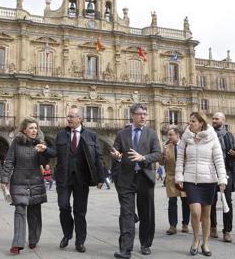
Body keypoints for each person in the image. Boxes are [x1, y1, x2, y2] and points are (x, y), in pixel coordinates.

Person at [111, 103, 162, 258]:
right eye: (140, 114)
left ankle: (145, 244)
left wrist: (143, 158)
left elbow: (158, 154)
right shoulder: (122, 134)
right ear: (132, 115)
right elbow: (116, 152)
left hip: (144, 178)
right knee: (126, 213)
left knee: (146, 213)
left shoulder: (151, 134)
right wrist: (117, 156)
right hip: (126, 178)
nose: (143, 117)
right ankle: (125, 249)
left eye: (145, 114)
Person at [51, 107, 104, 253]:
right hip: (64, 178)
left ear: (80, 119)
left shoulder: (91, 135)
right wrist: (44, 149)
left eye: (71, 116)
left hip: (82, 179)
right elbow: (54, 151)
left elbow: (99, 157)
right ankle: (67, 234)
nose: (68, 119)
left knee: (80, 212)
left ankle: (80, 241)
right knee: (63, 207)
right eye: (68, 116)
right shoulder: (61, 134)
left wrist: (101, 177)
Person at [175, 112, 227, 256]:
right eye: (190, 121)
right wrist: (179, 176)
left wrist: (222, 179)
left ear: (201, 123)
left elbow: (218, 158)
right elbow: (180, 158)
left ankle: (205, 243)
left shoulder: (212, 136)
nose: (190, 123)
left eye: (193, 121)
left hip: (208, 180)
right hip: (190, 180)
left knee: (206, 214)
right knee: (195, 211)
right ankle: (195, 240)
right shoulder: (186, 136)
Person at [0, 118, 55, 254]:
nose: (34, 130)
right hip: (19, 181)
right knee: (19, 211)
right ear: (24, 130)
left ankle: (33, 239)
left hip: (36, 180)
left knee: (34, 212)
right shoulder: (16, 143)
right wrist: (4, 179)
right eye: (31, 128)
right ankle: (17, 243)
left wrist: (43, 151)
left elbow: (45, 162)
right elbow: (9, 161)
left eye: (36, 128)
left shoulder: (41, 143)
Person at [210, 112, 235, 243]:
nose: (214, 120)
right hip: (211, 170)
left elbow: (233, 153)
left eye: (216, 118)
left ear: (223, 120)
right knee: (211, 201)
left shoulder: (229, 135)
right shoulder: (208, 134)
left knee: (227, 201)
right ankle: (212, 226)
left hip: (226, 170)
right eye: (213, 118)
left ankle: (227, 231)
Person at [161, 127, 189, 236]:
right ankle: (172, 225)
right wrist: (162, 155)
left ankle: (185, 223)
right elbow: (162, 163)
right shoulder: (166, 147)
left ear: (178, 135)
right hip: (171, 177)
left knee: (185, 201)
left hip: (184, 177)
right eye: (169, 135)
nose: (169, 137)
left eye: (171, 134)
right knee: (172, 201)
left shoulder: (186, 146)